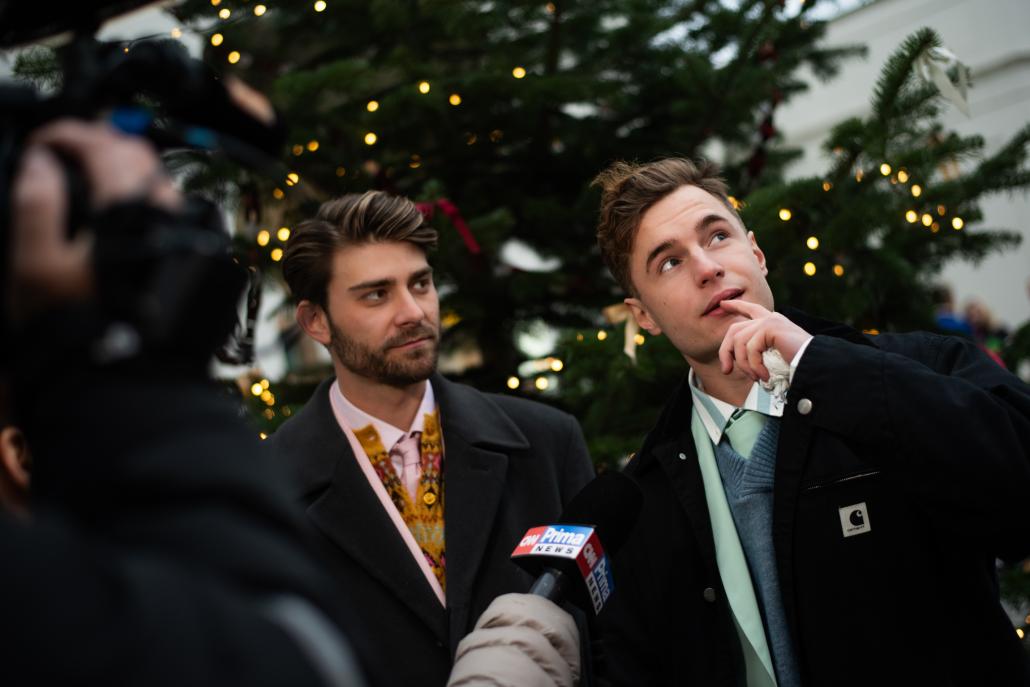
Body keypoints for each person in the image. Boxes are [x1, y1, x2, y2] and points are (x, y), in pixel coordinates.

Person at [590, 158, 1030, 686]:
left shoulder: (925, 366)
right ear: (643, 316)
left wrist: (820, 368)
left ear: (756, 253)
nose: (706, 267)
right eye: (669, 262)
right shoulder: (641, 496)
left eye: (718, 236)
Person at [268, 190, 596, 686]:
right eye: (376, 294)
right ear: (316, 321)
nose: (412, 311)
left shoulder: (548, 443)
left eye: (420, 284)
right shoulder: (267, 489)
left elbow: (608, 639)